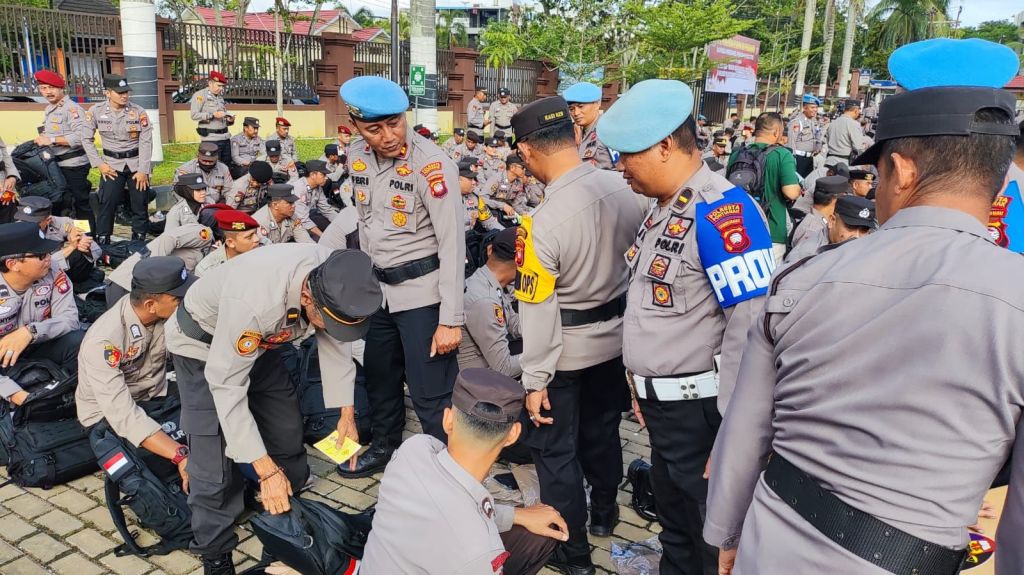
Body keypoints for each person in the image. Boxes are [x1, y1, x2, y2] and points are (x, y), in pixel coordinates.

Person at [704, 38, 1024, 575]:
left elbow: (746, 432)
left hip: (774, 543)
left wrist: (726, 534)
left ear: (901, 170)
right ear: (999, 176)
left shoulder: (803, 278)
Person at [598, 79, 773, 575]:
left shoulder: (724, 213)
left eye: (628, 155)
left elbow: (751, 332)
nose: (621, 167)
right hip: (663, 409)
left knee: (708, 539)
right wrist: (642, 385)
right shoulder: (665, 206)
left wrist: (734, 437)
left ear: (664, 146)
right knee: (674, 526)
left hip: (705, 417)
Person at [164, 245, 381, 575]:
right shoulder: (255, 303)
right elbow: (227, 387)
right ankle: (215, 554)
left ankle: (281, 539)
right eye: (328, 321)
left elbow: (336, 341)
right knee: (212, 467)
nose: (331, 329)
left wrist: (346, 413)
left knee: (286, 433)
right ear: (307, 297)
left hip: (263, 346)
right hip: (203, 351)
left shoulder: (335, 278)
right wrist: (265, 471)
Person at [511, 95, 645, 574]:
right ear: (573, 136)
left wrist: (534, 380)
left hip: (565, 356)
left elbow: (538, 310)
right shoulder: (624, 187)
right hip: (617, 342)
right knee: (603, 432)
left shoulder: (542, 222)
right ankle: (605, 512)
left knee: (555, 454)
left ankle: (575, 554)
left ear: (526, 152)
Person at [338, 76, 465, 478]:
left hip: (422, 296)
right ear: (355, 126)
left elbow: (453, 244)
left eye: (394, 123)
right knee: (380, 376)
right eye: (374, 129)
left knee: (430, 391)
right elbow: (365, 221)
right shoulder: (357, 155)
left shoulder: (431, 165)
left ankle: (446, 469)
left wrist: (450, 319)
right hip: (378, 292)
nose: (388, 136)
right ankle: (385, 447)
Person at [362, 368, 564, 575]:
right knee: (542, 537)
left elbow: (453, 508)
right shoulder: (480, 553)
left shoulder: (415, 448)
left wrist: (516, 515)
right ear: (513, 434)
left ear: (448, 420)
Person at [76, 256, 193, 489]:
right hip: (109, 416)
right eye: (178, 299)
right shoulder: (103, 342)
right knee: (158, 471)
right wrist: (180, 454)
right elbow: (122, 414)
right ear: (150, 305)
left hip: (153, 395)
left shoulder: (162, 314)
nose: (186, 302)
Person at [0, 221, 83, 406]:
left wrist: (31, 332)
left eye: (48, 252)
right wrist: (12, 393)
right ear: (13, 264)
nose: (49, 258)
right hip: (2, 359)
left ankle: (64, 391)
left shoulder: (53, 271)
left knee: (78, 341)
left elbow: (70, 319)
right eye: (41, 255)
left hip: (37, 345)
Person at [81, 74, 153, 243]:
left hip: (136, 164)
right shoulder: (96, 111)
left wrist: (143, 170)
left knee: (140, 202)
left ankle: (139, 237)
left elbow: (146, 141)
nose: (124, 96)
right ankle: (103, 238)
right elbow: (86, 139)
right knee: (107, 202)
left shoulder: (138, 111)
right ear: (108, 93)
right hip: (111, 165)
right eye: (120, 92)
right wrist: (99, 164)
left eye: (126, 92)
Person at [727, 112, 801, 263]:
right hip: (771, 230)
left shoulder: (737, 154)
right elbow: (791, 193)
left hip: (737, 229)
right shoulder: (782, 154)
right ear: (777, 132)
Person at [105, 223, 215, 308]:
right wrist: (152, 273)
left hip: (149, 292)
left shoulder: (213, 256)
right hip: (127, 283)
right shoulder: (206, 234)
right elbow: (169, 238)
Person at [459, 228, 521, 376]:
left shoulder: (488, 280)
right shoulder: (485, 300)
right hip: (478, 381)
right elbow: (504, 368)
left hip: (487, 370)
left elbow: (514, 325)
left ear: (490, 250)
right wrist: (545, 356)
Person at [33, 70, 91, 227]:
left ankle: (87, 236)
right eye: (43, 88)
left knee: (79, 203)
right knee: (62, 201)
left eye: (51, 88)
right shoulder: (50, 108)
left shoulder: (71, 109)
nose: (48, 92)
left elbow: (81, 136)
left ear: (60, 88)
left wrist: (51, 140)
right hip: (56, 164)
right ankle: (66, 235)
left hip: (73, 164)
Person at [14, 196, 102, 286]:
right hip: (31, 276)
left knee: (81, 252)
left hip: (58, 269)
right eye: (23, 220)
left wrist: (82, 243)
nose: (27, 225)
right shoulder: (15, 232)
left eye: (33, 223)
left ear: (48, 220)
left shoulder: (61, 222)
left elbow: (97, 250)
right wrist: (71, 247)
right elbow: (33, 266)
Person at [785, 175, 847, 262]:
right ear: (835, 200)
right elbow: (799, 263)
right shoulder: (813, 228)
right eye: (845, 196)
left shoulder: (819, 221)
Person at [194, 209, 262, 276]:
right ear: (230, 243)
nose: (257, 239)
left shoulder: (264, 246)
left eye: (256, 233)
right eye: (249, 237)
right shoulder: (207, 270)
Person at [564, 82, 615, 170]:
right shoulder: (580, 132)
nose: (576, 113)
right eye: (571, 109)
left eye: (581, 107)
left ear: (597, 104)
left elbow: (620, 169)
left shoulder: (608, 130)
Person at [189, 71, 233, 166]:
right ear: (210, 83)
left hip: (225, 137)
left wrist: (229, 120)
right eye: (219, 85)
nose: (221, 89)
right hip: (211, 139)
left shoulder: (219, 98)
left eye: (222, 86)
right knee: (213, 166)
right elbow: (194, 115)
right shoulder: (200, 95)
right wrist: (212, 115)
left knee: (226, 166)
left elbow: (221, 116)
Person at [289, 159, 338, 236]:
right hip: (293, 223)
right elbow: (303, 220)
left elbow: (326, 209)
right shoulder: (299, 189)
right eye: (323, 174)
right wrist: (323, 236)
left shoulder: (318, 187)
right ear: (312, 175)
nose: (326, 178)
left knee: (333, 227)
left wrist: (341, 222)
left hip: (307, 215)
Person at [787, 94, 827, 177]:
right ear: (805, 108)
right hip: (799, 158)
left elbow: (817, 136)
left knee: (807, 181)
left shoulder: (813, 121)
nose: (815, 110)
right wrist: (792, 159)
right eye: (812, 107)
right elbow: (791, 142)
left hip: (810, 158)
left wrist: (818, 147)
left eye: (816, 107)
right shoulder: (797, 122)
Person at [481, 153, 529, 221]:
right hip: (490, 213)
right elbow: (482, 198)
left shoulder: (519, 183)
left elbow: (516, 204)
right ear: (512, 167)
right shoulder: (497, 179)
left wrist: (524, 213)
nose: (525, 170)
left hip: (506, 214)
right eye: (522, 167)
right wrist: (502, 206)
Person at [459, 158, 501, 232]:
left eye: (474, 179)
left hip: (469, 236)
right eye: (470, 179)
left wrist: (504, 233)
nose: (474, 182)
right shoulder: (446, 199)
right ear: (458, 180)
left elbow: (490, 222)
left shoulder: (475, 197)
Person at [825, 98, 864, 163]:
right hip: (844, 162)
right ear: (856, 110)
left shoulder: (833, 123)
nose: (859, 113)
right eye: (859, 110)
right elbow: (858, 147)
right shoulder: (854, 124)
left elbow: (828, 141)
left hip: (829, 161)